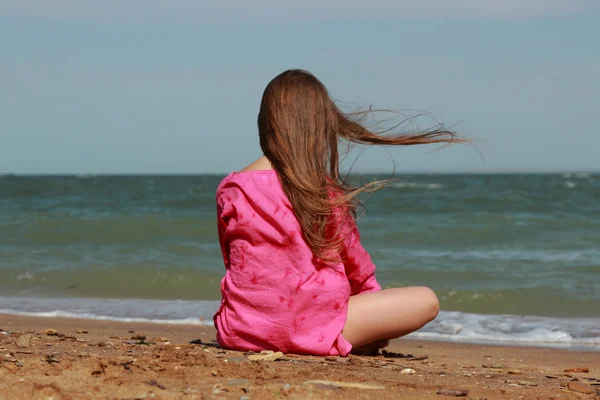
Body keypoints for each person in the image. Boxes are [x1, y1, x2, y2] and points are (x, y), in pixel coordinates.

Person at [213, 69, 460, 356]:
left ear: (265, 124)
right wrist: (376, 320)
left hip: (242, 331)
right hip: (314, 327)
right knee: (426, 300)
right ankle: (342, 340)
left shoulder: (232, 188)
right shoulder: (322, 191)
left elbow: (233, 261)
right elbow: (358, 269)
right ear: (320, 128)